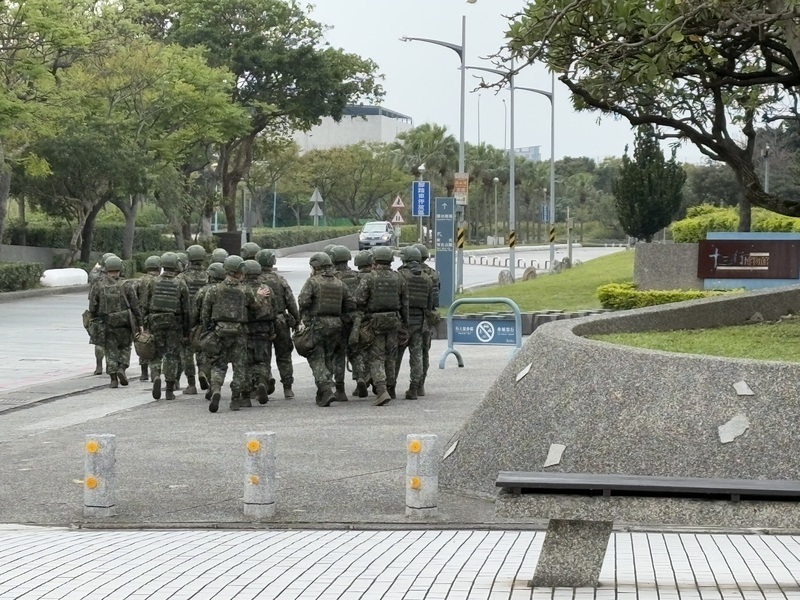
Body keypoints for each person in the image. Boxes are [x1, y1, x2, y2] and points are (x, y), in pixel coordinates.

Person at [201, 255, 271, 413]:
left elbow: (205, 314)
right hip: (239, 333)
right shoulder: (244, 290)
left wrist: (210, 330)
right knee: (240, 366)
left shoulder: (214, 290)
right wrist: (260, 296)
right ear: (241, 271)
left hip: (219, 332)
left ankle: (217, 389)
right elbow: (255, 307)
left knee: (219, 365)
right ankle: (235, 399)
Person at [297, 252, 355, 407]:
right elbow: (350, 303)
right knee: (328, 356)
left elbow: (303, 301)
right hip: (336, 324)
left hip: (318, 323)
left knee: (316, 356)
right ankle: (324, 390)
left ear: (316, 266)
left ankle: (325, 388)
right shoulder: (339, 283)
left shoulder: (313, 282)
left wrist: (305, 318)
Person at [355, 246, 408, 406]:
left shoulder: (369, 278)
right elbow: (405, 303)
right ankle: (391, 387)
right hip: (394, 321)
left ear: (374, 261)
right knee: (391, 355)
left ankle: (381, 389)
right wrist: (404, 325)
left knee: (377, 356)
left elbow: (359, 299)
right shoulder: (399, 278)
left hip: (375, 322)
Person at [140, 252, 191, 401]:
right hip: (174, 323)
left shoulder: (152, 282)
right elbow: (186, 309)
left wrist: (143, 325)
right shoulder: (180, 284)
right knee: (171, 355)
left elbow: (144, 305)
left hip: (154, 321)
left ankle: (155, 376)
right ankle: (169, 388)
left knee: (155, 354)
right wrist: (186, 330)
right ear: (176, 265)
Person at [87, 255, 142, 388]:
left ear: (106, 269)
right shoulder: (127, 285)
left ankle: (113, 379)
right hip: (125, 323)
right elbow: (135, 306)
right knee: (125, 347)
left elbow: (92, 306)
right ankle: (122, 368)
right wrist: (140, 323)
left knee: (110, 350)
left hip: (107, 323)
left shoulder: (98, 285)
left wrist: (94, 320)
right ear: (120, 269)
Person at [255, 249, 300, 399]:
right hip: (281, 321)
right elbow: (291, 302)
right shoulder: (280, 280)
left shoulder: (255, 281)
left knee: (262, 355)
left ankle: (264, 380)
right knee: (284, 355)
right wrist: (297, 319)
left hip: (261, 323)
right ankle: (288, 387)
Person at [395, 247, 435, 399]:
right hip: (420, 322)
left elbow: (396, 300)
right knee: (417, 355)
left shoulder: (399, 276)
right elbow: (430, 304)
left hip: (402, 322)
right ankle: (415, 388)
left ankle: (390, 386)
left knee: (396, 356)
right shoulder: (427, 278)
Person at [241, 259, 274, 408]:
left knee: (246, 362)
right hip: (263, 329)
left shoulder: (241, 289)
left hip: (245, 330)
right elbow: (274, 310)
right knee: (262, 360)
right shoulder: (266, 288)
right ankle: (261, 381)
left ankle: (247, 392)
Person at [177, 244, 209, 394]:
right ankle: (203, 371)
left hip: (186, 319)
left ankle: (191, 384)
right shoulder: (209, 275)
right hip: (204, 318)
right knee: (203, 348)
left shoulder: (182, 277)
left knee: (186, 351)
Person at [331, 245, 360, 403]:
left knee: (339, 355)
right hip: (355, 319)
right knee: (356, 351)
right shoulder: (357, 276)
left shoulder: (333, 278)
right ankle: (360, 379)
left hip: (339, 319)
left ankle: (340, 389)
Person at [195, 262, 227, 401]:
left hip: (209, 329)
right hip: (228, 328)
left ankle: (209, 381)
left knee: (209, 358)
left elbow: (196, 311)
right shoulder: (227, 289)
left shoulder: (203, 291)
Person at [413, 243, 440, 397]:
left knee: (410, 351)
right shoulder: (433, 274)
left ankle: (391, 385)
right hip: (428, 317)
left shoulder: (405, 273)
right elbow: (435, 299)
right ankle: (420, 385)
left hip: (412, 317)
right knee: (424, 352)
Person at [350, 250, 374, 397]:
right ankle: (373, 376)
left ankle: (360, 377)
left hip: (357, 320)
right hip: (375, 319)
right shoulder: (375, 278)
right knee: (376, 351)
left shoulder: (352, 278)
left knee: (357, 351)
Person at [88, 252, 117, 375]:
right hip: (117, 314)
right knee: (115, 341)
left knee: (99, 341)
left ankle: (99, 365)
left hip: (100, 313)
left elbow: (92, 301)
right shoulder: (119, 278)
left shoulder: (96, 278)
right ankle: (114, 366)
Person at [135, 255, 162, 381]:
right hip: (157, 316)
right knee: (158, 344)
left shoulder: (139, 281)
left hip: (141, 316)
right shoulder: (161, 281)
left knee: (143, 342)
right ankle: (155, 372)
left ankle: (144, 372)